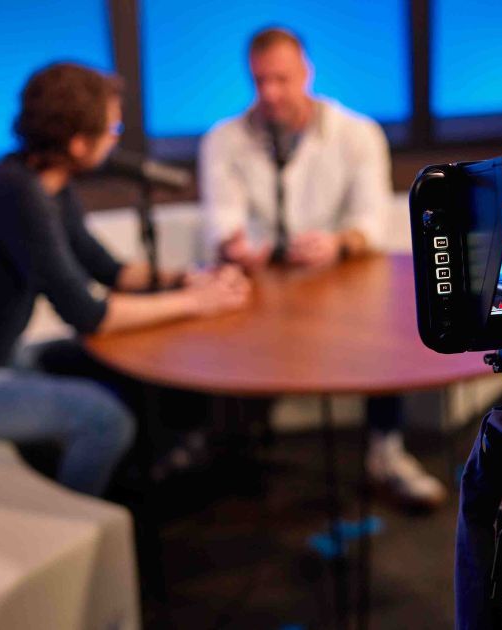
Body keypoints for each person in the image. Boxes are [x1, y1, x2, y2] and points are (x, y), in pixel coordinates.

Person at [0, 62, 251, 497]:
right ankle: (82, 520)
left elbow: (110, 271)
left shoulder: (46, 186)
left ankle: (153, 476)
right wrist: (198, 304)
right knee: (105, 419)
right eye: (112, 129)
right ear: (80, 144)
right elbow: (87, 314)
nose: (117, 137)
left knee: (107, 367)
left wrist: (188, 279)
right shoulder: (16, 197)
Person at [198, 27, 446, 510]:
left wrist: (338, 243)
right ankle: (230, 460)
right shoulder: (224, 140)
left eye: (281, 80)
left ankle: (385, 450)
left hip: (345, 279)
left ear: (307, 73)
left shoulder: (357, 133)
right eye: (260, 81)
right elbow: (221, 220)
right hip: (264, 284)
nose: (270, 93)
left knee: (385, 328)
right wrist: (235, 243)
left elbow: (373, 222)